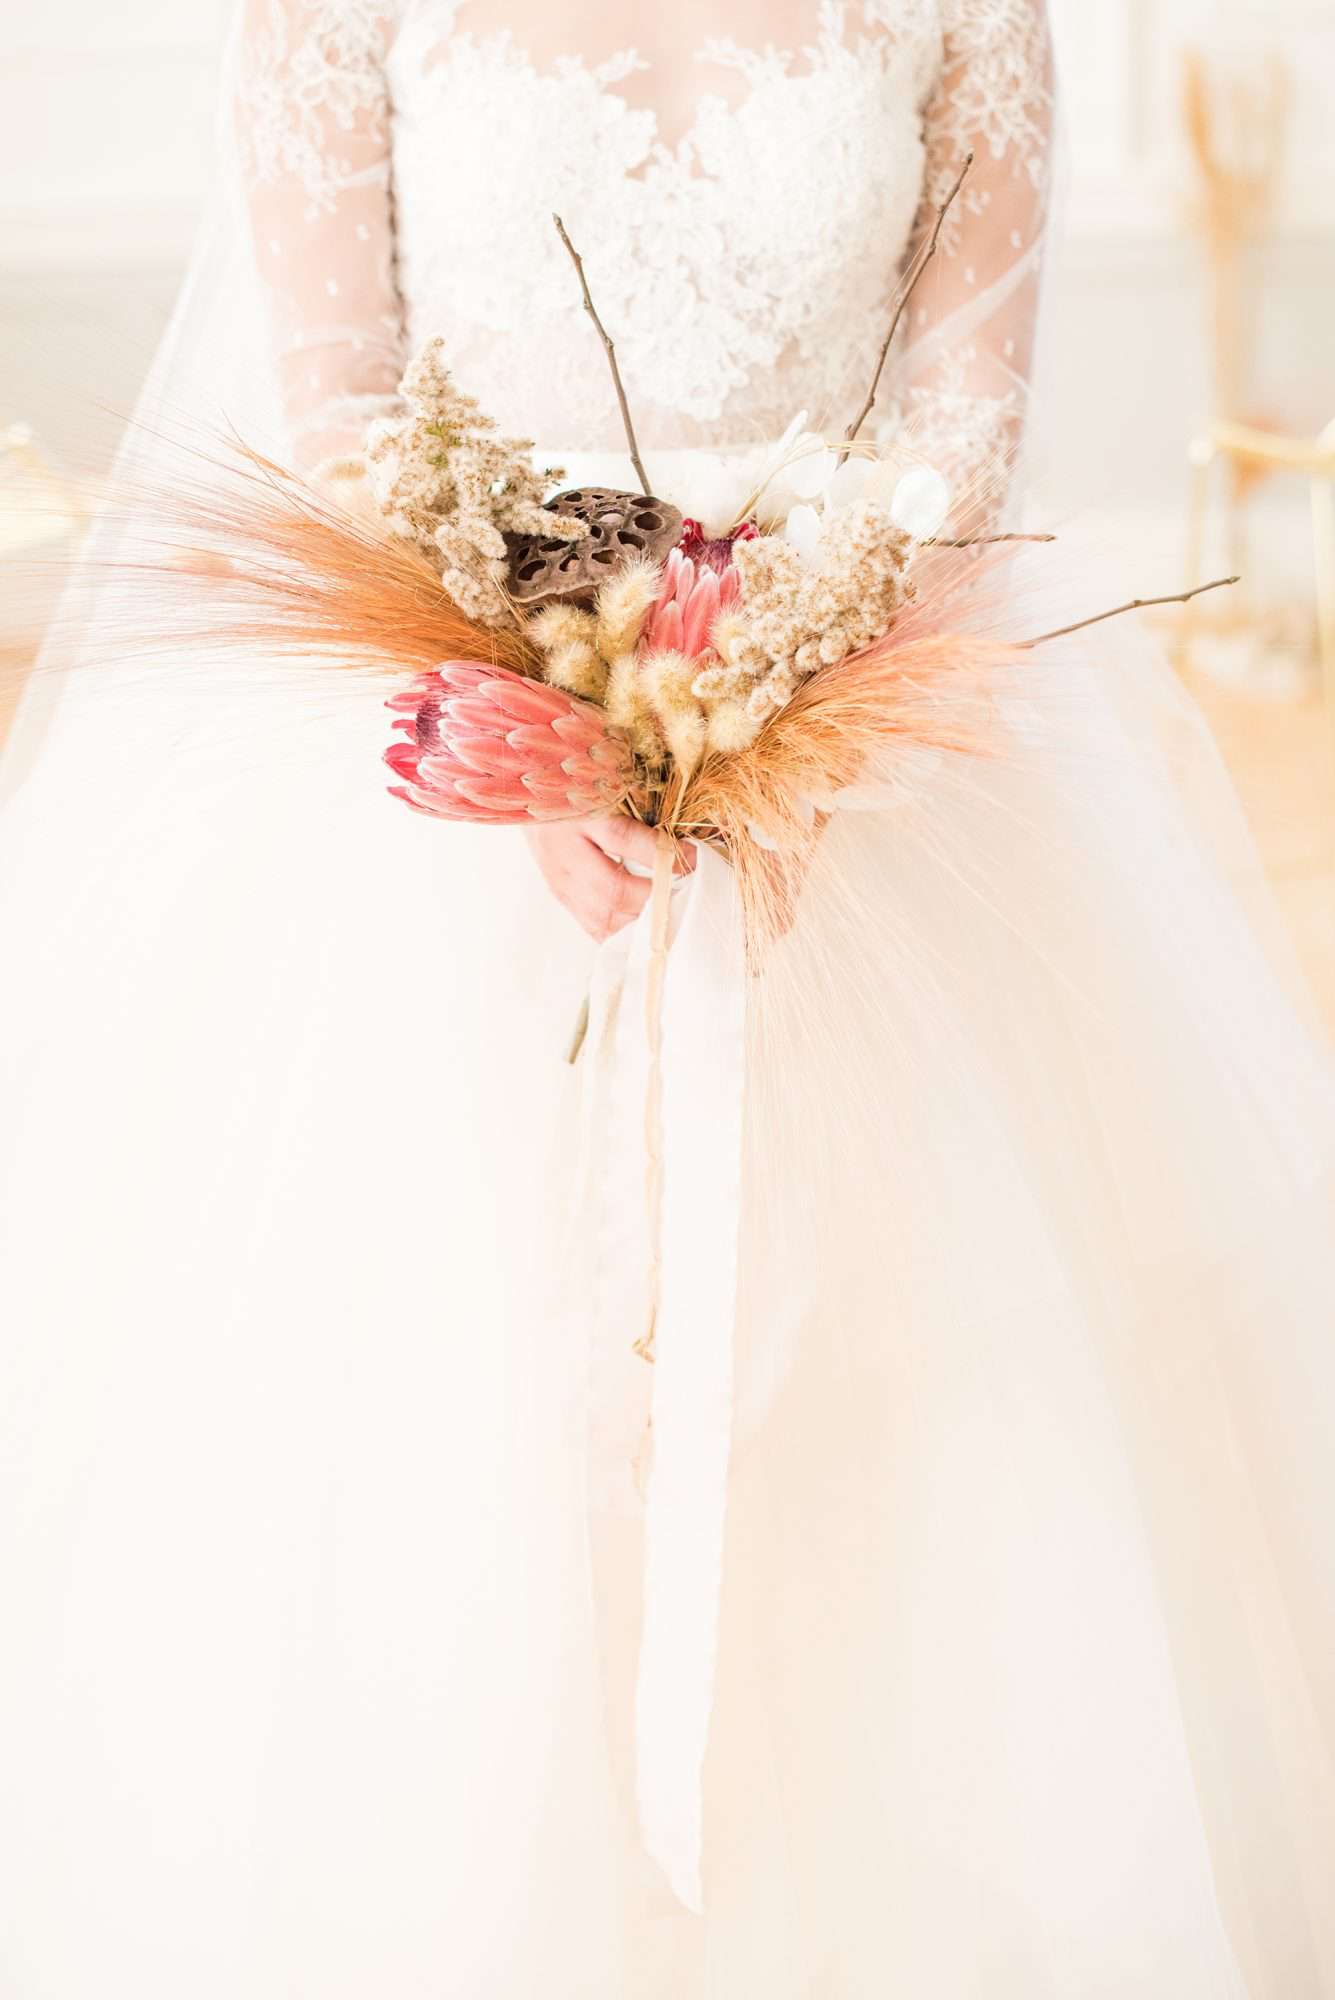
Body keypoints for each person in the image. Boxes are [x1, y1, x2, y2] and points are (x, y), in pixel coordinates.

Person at [1, 4, 1333, 1994]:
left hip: (868, 759)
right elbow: (348, 411)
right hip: (452, 752)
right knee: (447, 1425)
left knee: (930, 1421)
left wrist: (781, 725)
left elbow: (960, 437)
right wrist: (557, 738)